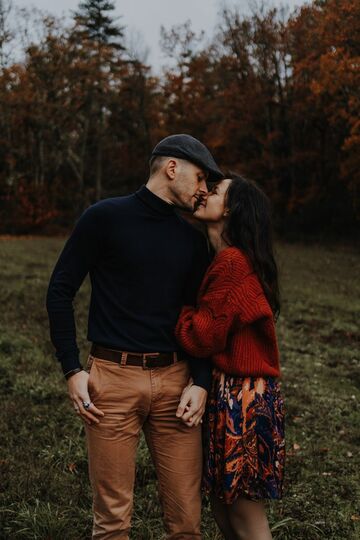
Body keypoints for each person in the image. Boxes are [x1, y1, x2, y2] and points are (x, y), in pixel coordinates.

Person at [46, 134, 224, 540]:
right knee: (112, 523)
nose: (202, 190)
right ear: (172, 167)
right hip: (112, 380)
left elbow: (197, 315)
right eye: (200, 178)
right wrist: (72, 368)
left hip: (176, 383)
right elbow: (59, 290)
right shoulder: (104, 217)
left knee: (186, 524)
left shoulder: (192, 237)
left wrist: (200, 381)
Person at [175, 174, 285, 540]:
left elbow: (201, 336)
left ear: (232, 209)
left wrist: (178, 310)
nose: (206, 193)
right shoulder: (224, 258)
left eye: (217, 191)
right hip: (235, 394)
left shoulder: (233, 263)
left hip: (243, 399)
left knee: (244, 513)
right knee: (225, 508)